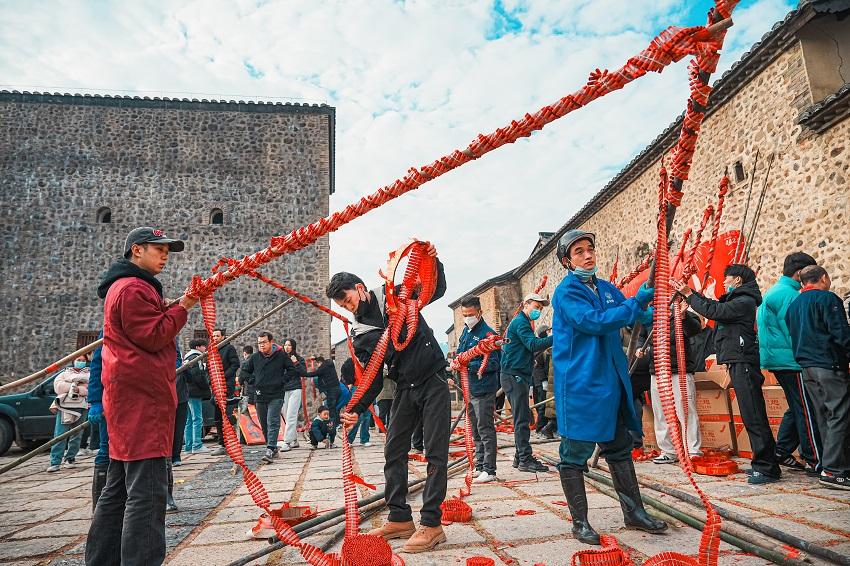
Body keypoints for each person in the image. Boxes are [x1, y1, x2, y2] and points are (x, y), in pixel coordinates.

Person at [326, 242, 449, 553]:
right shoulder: (361, 333)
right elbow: (372, 375)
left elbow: (434, 290)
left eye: (347, 298)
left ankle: (432, 524)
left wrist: (434, 263)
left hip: (432, 378)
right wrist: (356, 407)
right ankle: (399, 517)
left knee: (435, 452)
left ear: (360, 288)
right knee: (394, 450)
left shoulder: (395, 291)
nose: (346, 305)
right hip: (404, 387)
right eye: (340, 304)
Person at [86, 226, 196, 566]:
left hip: (128, 401)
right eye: (158, 248)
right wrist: (185, 307)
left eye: (168, 250)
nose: (165, 255)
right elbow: (153, 336)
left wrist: (167, 306)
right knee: (147, 496)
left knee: (117, 491)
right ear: (136, 251)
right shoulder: (133, 288)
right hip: (142, 403)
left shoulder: (126, 287)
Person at [552, 229, 665, 545]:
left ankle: (634, 513)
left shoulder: (606, 288)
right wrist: (635, 304)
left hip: (612, 381)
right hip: (581, 385)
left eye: (590, 249)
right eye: (579, 252)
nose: (588, 255)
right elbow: (594, 321)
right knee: (574, 453)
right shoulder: (566, 293)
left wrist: (656, 308)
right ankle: (580, 523)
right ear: (567, 260)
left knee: (619, 447)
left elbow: (634, 312)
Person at [675, 263, 782, 484]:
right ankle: (763, 463)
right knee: (750, 414)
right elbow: (714, 306)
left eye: (727, 278)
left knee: (753, 414)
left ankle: (768, 467)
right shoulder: (737, 301)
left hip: (743, 361)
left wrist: (689, 294)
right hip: (737, 361)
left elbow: (715, 311)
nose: (723, 282)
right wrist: (692, 295)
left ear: (737, 281)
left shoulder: (744, 302)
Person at [786, 265, 850, 490]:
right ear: (824, 278)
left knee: (824, 416)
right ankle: (835, 470)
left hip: (806, 368)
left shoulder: (793, 306)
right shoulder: (827, 299)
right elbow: (840, 332)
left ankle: (829, 466)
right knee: (840, 414)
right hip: (828, 365)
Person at [758, 252, 822, 476]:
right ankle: (815, 460)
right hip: (792, 361)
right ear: (799, 273)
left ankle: (783, 450)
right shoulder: (789, 294)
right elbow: (795, 330)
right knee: (807, 409)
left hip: (779, 359)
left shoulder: (776, 291)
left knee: (797, 408)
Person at [501, 292, 554, 472]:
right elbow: (532, 345)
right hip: (514, 375)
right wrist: (557, 337)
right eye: (536, 307)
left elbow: (527, 348)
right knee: (522, 418)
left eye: (540, 309)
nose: (538, 311)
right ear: (526, 304)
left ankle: (519, 457)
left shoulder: (523, 322)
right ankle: (525, 459)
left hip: (519, 373)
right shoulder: (521, 322)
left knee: (521, 417)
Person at [645, 301, 703, 464]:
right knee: (661, 413)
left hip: (679, 370)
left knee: (685, 410)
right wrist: (639, 347)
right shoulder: (652, 317)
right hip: (657, 370)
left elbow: (694, 330)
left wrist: (683, 316)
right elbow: (642, 335)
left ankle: (693, 451)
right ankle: (668, 450)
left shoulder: (685, 313)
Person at [242, 331, 307, 462]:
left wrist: (282, 381)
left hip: (276, 394)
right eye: (259, 343)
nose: (261, 345)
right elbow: (244, 371)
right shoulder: (255, 358)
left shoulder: (281, 356)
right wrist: (252, 380)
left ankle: (271, 448)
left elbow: (292, 370)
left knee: (273, 421)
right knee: (264, 423)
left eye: (264, 342)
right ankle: (271, 447)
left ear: (271, 342)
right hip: (259, 395)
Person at [456, 296, 501, 483]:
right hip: (470, 389)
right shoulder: (466, 332)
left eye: (471, 314)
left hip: (483, 387)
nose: (468, 318)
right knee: (474, 429)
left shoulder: (488, 335)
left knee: (485, 428)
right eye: (465, 315)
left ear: (480, 313)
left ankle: (490, 470)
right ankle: (480, 465)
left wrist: (469, 365)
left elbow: (494, 362)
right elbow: (460, 352)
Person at [47, 355, 90, 472]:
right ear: (73, 361)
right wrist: (73, 386)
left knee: (77, 435)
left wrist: (79, 389)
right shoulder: (64, 373)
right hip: (65, 406)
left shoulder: (89, 374)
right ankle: (55, 461)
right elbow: (58, 387)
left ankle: (70, 458)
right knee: (60, 434)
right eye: (78, 360)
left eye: (83, 360)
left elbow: (90, 388)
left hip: (82, 407)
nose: (81, 362)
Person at [87, 335, 111, 510]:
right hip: (111, 400)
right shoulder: (110, 329)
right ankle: (101, 509)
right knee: (106, 449)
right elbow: (97, 367)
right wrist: (95, 401)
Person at [211, 329, 240, 456]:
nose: (215, 338)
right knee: (217, 417)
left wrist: (222, 377)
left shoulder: (229, 349)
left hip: (225, 386)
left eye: (218, 336)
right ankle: (221, 444)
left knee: (226, 417)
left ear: (223, 337)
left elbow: (235, 365)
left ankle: (229, 444)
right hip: (215, 387)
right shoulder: (212, 350)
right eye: (214, 336)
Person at [183, 338, 211, 455]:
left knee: (188, 420)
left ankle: (188, 446)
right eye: (204, 346)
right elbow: (199, 375)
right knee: (197, 419)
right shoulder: (197, 357)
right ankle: (197, 444)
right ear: (198, 347)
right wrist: (205, 387)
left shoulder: (186, 357)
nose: (205, 349)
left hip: (187, 392)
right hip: (195, 392)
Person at [340, 358, 372, 447]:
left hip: (368, 388)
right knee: (358, 416)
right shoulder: (350, 361)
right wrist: (349, 382)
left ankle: (365, 439)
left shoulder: (368, 359)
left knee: (367, 416)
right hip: (356, 388)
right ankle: (349, 439)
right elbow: (344, 369)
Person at [281, 338, 305, 450]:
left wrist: (295, 362)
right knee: (286, 415)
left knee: (291, 414)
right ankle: (294, 440)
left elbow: (303, 373)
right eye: (285, 345)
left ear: (293, 347)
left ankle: (287, 441)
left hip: (295, 388)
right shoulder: (280, 359)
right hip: (284, 389)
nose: (286, 347)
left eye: (289, 345)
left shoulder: (299, 359)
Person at [305, 355, 341, 430]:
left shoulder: (323, 368)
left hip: (332, 389)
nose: (318, 366)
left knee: (331, 409)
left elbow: (314, 373)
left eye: (317, 364)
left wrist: (303, 373)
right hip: (337, 389)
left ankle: (333, 426)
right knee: (334, 408)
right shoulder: (329, 364)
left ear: (319, 363)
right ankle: (337, 424)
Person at [532, 325, 553, 439]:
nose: (550, 332)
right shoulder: (540, 348)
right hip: (541, 382)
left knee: (546, 406)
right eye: (548, 331)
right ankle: (540, 429)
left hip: (547, 382)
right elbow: (537, 366)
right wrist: (543, 380)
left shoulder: (547, 346)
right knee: (542, 406)